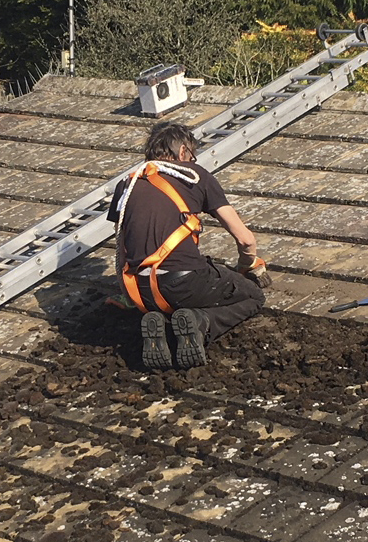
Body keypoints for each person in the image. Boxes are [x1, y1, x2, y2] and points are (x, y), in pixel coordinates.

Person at [107, 121, 270, 369]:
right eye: (192, 156)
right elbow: (245, 239)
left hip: (141, 291)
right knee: (253, 296)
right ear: (183, 151)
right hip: (183, 283)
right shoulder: (194, 176)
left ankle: (163, 323)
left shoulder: (126, 185)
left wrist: (130, 296)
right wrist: (247, 265)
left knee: (171, 297)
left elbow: (122, 252)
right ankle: (200, 321)